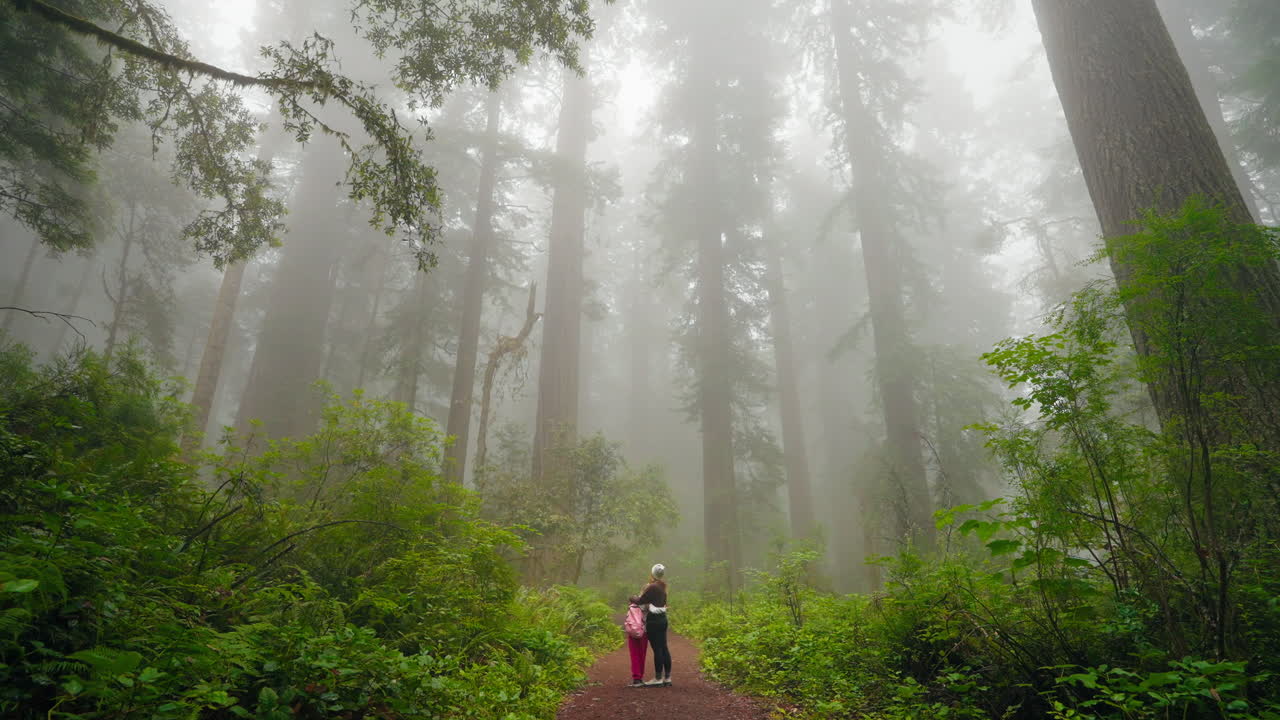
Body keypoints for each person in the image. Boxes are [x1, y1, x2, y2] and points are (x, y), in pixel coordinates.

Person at [629, 563, 670, 687]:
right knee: (664, 648)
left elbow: (640, 601)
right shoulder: (663, 587)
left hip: (654, 621)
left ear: (652, 573)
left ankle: (657, 678)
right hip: (663, 619)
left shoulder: (652, 587)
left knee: (657, 649)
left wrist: (632, 597)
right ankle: (667, 678)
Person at [624, 601, 648, 687]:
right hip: (643, 633)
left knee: (634, 654)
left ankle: (636, 678)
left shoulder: (631, 607)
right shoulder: (647, 606)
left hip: (632, 633)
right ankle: (640, 677)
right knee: (642, 654)